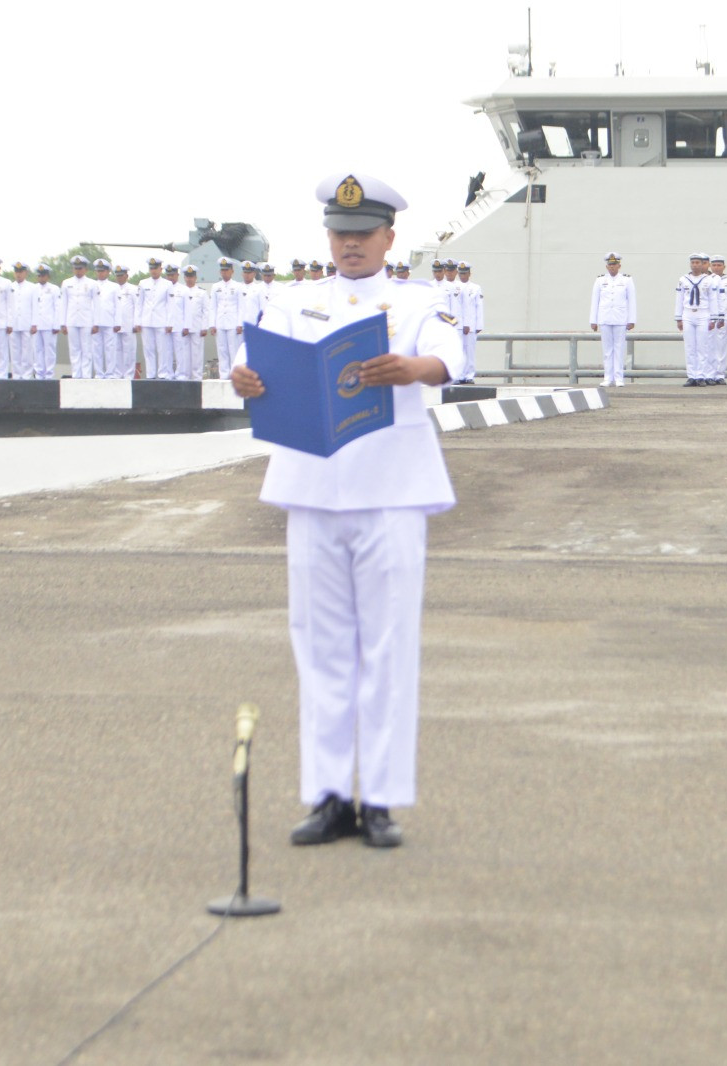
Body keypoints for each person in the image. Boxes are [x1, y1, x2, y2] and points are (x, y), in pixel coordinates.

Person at [229, 172, 464, 850]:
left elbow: (452, 356)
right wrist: (243, 376)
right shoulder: (293, 299)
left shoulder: (419, 299)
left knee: (388, 648)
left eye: (363, 236)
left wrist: (413, 369)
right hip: (313, 486)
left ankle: (382, 798)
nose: (351, 246)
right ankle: (329, 794)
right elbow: (251, 358)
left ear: (390, 237)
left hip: (390, 488)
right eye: (340, 235)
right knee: (321, 646)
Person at [590, 252, 635, 387]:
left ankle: (619, 378)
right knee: (607, 350)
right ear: (606, 266)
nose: (612, 267)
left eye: (614, 264)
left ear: (619, 265)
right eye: (610, 265)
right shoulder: (600, 280)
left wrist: (631, 319)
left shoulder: (627, 280)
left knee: (619, 348)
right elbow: (595, 301)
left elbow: (632, 301)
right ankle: (608, 377)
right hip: (604, 318)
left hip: (620, 318)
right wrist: (593, 320)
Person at [675, 253, 716, 386]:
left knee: (702, 346)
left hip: (703, 314)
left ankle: (701, 375)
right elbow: (679, 299)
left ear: (702, 264)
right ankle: (691, 375)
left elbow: (713, 300)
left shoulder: (708, 280)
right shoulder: (683, 279)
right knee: (690, 346)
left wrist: (714, 318)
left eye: (698, 263)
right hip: (688, 314)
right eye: (693, 263)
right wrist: (678, 318)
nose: (695, 265)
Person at [209, 256, 247, 377]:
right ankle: (224, 376)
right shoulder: (216, 287)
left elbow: (241, 307)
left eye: (227, 270)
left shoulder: (238, 286)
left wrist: (240, 323)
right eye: (223, 270)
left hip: (233, 323)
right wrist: (212, 324)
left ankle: (234, 376)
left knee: (233, 350)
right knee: (222, 351)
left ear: (232, 271)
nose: (224, 272)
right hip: (220, 322)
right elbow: (213, 307)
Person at [705, 254, 727, 385]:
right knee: (709, 346)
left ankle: (719, 374)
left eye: (719, 265)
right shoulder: (707, 280)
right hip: (711, 317)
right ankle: (709, 373)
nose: (716, 267)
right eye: (714, 265)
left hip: (725, 317)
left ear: (724, 266)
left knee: (721, 346)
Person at [173, 264, 209, 380]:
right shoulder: (179, 292)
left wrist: (204, 327)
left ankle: (197, 377)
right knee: (183, 354)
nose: (189, 279)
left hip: (197, 327)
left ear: (195, 278)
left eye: (191, 276)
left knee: (196, 354)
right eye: (187, 276)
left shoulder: (202, 293)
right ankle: (184, 376)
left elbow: (206, 311)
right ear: (184, 278)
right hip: (182, 328)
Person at [134, 257, 167, 379]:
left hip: (161, 321)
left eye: (155, 268)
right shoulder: (143, 283)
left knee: (162, 349)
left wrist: (169, 323)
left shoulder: (167, 284)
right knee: (148, 350)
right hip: (147, 320)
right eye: (151, 268)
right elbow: (139, 303)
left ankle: (163, 373)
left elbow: (170, 305)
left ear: (160, 269)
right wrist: (137, 321)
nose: (153, 271)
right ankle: (151, 374)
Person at [29, 264, 61, 379]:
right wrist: (32, 324)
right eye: (39, 276)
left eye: (43, 275)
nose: (41, 278)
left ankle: (49, 374)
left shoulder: (54, 289)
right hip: (36, 325)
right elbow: (31, 307)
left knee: (49, 351)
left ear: (47, 276)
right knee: (37, 350)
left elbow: (57, 307)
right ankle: (39, 374)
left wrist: (57, 324)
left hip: (49, 324)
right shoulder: (33, 289)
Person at [90, 259, 119, 379]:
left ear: (108, 272)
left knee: (110, 348)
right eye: (98, 271)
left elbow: (118, 305)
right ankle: (99, 373)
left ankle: (110, 373)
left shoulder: (114, 286)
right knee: (96, 348)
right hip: (95, 322)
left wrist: (118, 322)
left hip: (109, 320)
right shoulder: (91, 285)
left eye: (103, 271)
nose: (100, 273)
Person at [7, 261, 34, 379]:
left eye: (21, 272)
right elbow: (7, 306)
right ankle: (17, 374)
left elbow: (35, 307)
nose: (18, 274)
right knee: (14, 351)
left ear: (25, 273)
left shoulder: (32, 287)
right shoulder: (9, 287)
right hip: (13, 324)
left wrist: (34, 323)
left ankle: (27, 374)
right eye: (16, 272)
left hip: (27, 323)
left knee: (27, 351)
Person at [456, 261, 482, 383]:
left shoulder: (475, 288)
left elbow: (479, 307)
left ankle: (470, 375)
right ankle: (460, 375)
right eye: (460, 274)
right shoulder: (455, 287)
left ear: (469, 273)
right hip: (458, 325)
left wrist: (479, 325)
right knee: (459, 350)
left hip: (471, 324)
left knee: (470, 351)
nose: (462, 276)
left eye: (465, 273)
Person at [112, 265, 139, 379]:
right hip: (115, 325)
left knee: (129, 351)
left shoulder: (133, 289)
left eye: (121, 275)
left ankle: (128, 374)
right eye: (117, 276)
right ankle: (118, 374)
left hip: (129, 324)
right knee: (116, 351)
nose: (119, 278)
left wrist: (136, 323)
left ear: (126, 276)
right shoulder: (113, 288)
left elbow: (137, 307)